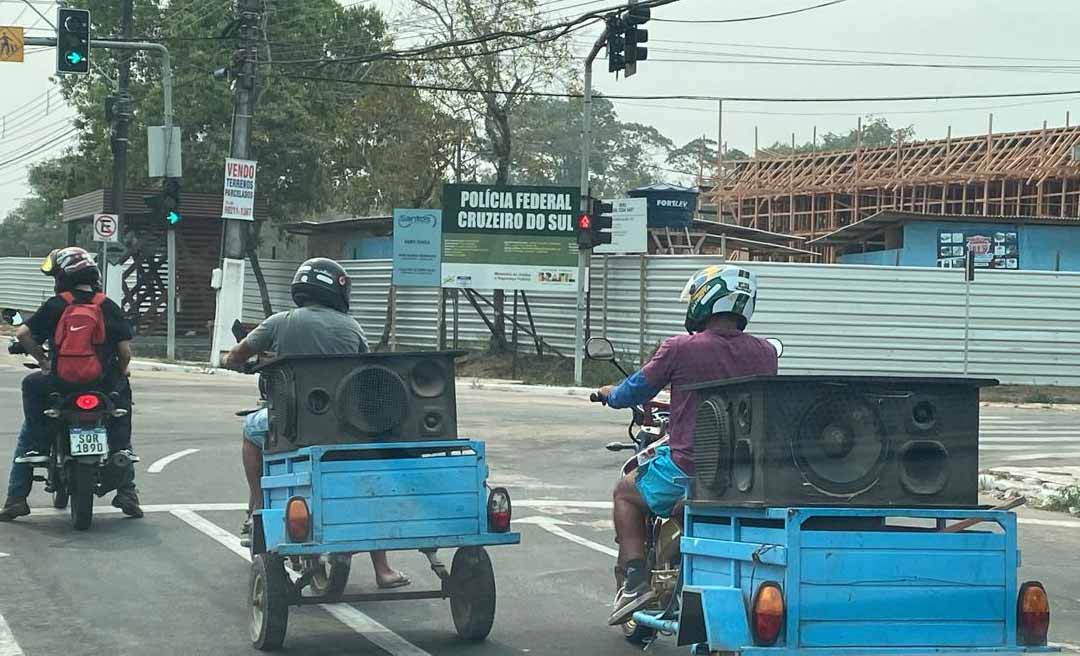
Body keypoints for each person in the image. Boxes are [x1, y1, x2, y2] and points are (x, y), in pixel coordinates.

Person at [595, 265, 779, 625]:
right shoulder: (765, 352)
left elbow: (635, 390)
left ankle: (634, 581)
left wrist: (609, 394)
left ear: (706, 299)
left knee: (624, 493)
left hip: (690, 467)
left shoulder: (680, 348)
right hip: (745, 472)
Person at [223, 257, 410, 590]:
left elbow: (237, 354)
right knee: (369, 482)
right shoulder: (352, 328)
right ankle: (383, 569)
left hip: (291, 425)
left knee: (251, 430)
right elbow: (365, 371)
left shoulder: (279, 322)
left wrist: (233, 361)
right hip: (346, 426)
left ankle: (256, 508)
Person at [0, 247, 141, 521]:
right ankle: (127, 492)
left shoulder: (56, 305)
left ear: (62, 276)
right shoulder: (107, 305)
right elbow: (125, 352)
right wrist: (121, 371)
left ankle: (17, 497)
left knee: (31, 401)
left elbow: (23, 333)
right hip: (101, 385)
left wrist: (43, 361)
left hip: (60, 384)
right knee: (118, 419)